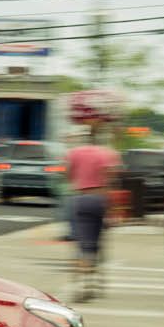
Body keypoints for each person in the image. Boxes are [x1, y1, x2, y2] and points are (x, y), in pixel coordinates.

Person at [59, 124, 123, 299]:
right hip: (99, 198)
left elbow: (67, 174)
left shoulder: (74, 152)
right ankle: (96, 282)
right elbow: (111, 180)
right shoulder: (107, 153)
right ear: (100, 137)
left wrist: (77, 179)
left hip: (79, 198)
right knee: (98, 243)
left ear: (86, 137)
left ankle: (80, 287)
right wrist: (112, 210)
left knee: (82, 245)